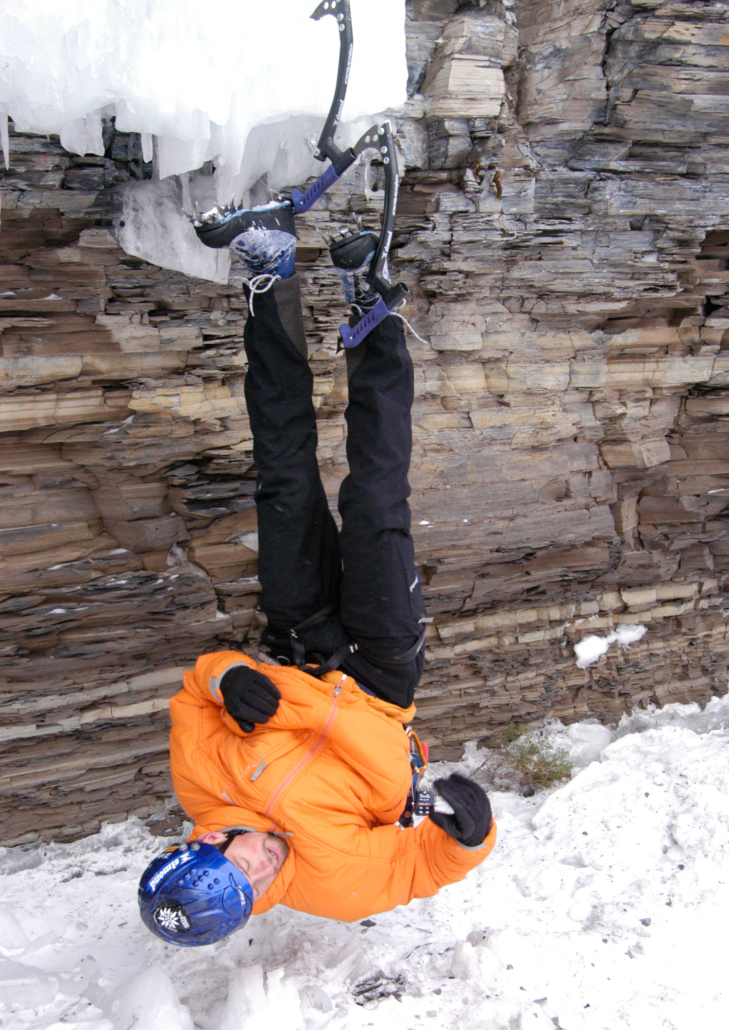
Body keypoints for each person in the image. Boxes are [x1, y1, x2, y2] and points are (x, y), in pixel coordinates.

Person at [138, 200, 497, 947]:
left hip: (298, 642)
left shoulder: (200, 783)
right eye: (259, 889)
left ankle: (270, 273)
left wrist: (224, 678)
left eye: (246, 864)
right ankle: (371, 301)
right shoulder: (331, 885)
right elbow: (419, 868)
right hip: (378, 672)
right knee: (372, 500)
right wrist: (472, 835)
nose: (268, 865)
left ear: (202, 844)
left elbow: (194, 693)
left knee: (284, 480)